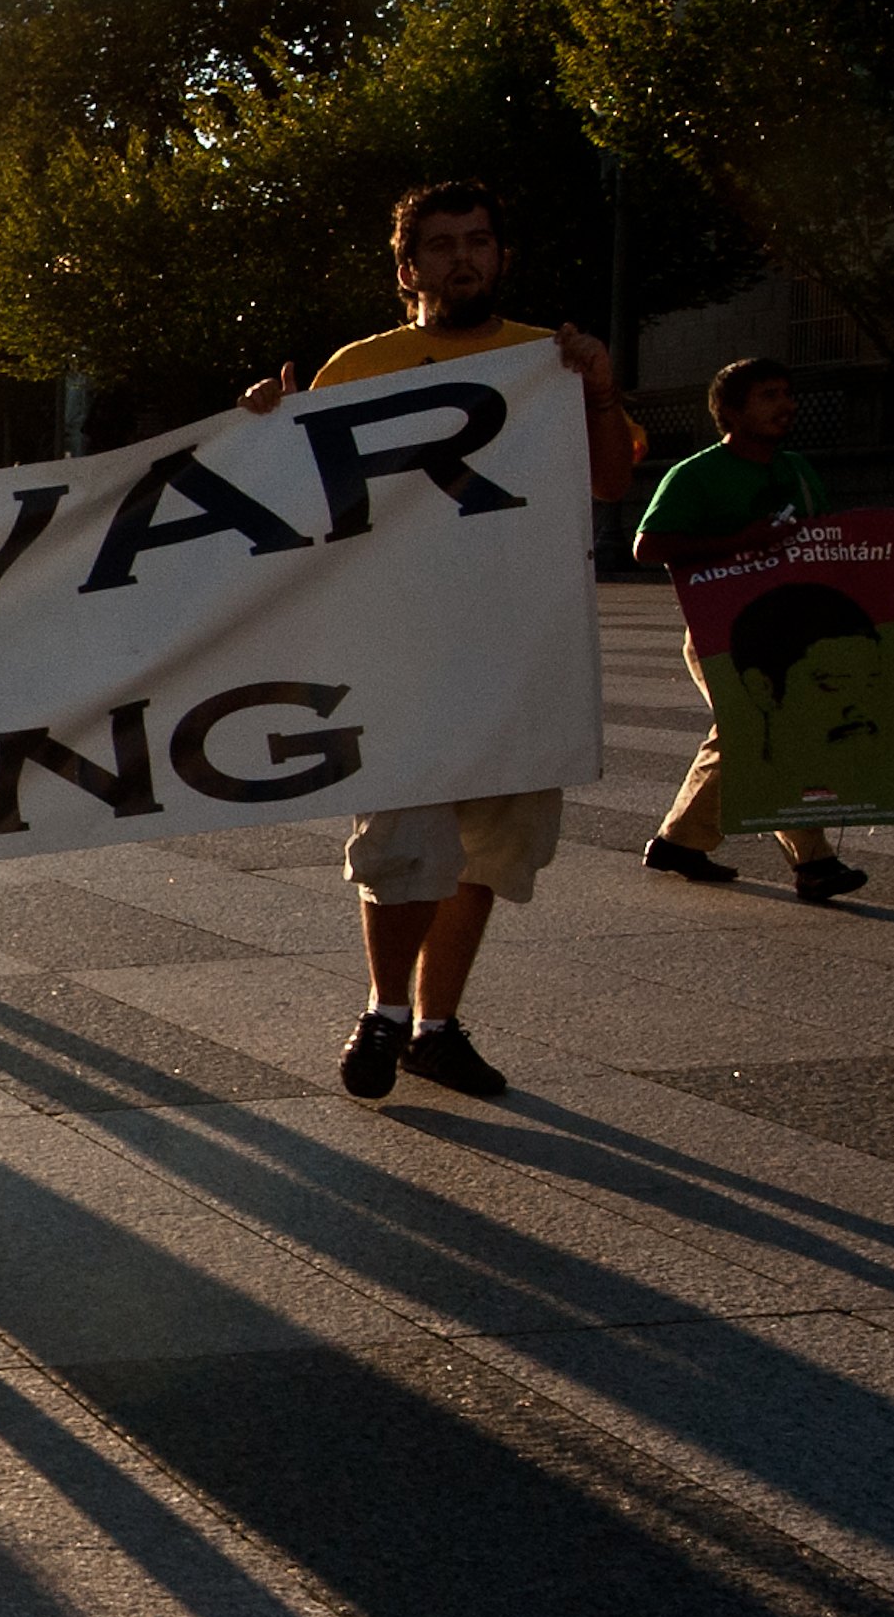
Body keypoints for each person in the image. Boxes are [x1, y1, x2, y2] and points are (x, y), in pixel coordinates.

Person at [236, 176, 649, 1104]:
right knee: (402, 841)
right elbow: (294, 502)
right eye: (441, 244)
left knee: (488, 853)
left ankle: (435, 1026)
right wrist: (261, 427)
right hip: (399, 649)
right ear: (407, 267)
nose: (462, 257)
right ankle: (385, 1010)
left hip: (517, 652)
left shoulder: (549, 363)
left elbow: (615, 483)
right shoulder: (359, 367)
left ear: (501, 256)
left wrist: (600, 391)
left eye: (478, 239)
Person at [630, 355, 865, 905]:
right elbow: (649, 546)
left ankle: (679, 841)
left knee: (741, 736)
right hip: (721, 631)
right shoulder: (695, 475)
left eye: (787, 393)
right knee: (770, 732)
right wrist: (741, 543)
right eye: (768, 396)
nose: (786, 405)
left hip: (791, 632)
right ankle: (816, 863)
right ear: (729, 413)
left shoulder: (799, 471)